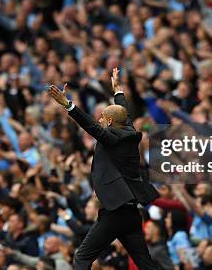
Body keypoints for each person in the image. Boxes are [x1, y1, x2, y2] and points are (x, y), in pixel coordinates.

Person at [48, 67, 160, 270]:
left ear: (109, 121)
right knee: (145, 263)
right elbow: (123, 112)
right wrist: (118, 90)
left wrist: (68, 105)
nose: (99, 120)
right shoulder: (129, 132)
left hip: (115, 212)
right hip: (132, 212)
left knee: (81, 258)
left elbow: (91, 126)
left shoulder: (111, 138)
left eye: (102, 118)